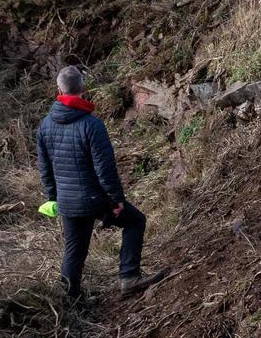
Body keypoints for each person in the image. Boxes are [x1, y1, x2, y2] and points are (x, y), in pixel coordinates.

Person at [36, 65, 165, 302]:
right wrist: (115, 200)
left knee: (74, 251)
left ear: (59, 90)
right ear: (83, 88)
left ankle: (71, 300)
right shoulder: (92, 125)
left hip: (67, 200)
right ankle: (129, 276)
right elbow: (104, 168)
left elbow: (45, 168)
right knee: (135, 221)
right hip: (95, 198)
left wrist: (53, 197)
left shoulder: (45, 125)